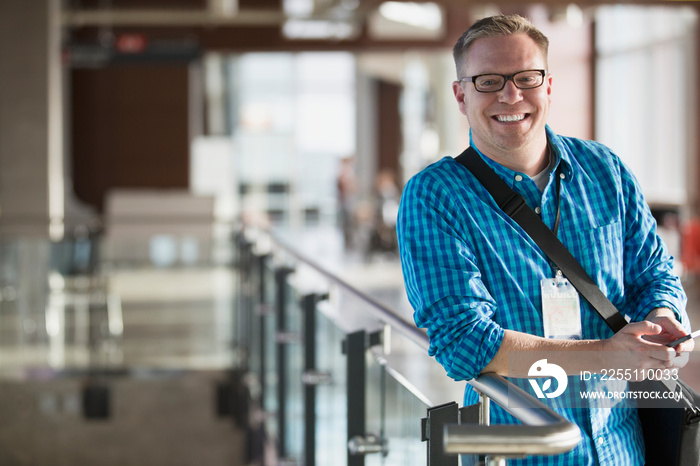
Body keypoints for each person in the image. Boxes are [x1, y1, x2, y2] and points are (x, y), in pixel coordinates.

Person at [396, 14, 694, 465]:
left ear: (549, 85)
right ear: (461, 94)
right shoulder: (435, 196)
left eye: (526, 77)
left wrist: (661, 318)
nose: (510, 95)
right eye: (488, 80)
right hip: (525, 453)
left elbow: (654, 272)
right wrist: (608, 354)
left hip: (623, 448)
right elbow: (465, 343)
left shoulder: (604, 170)